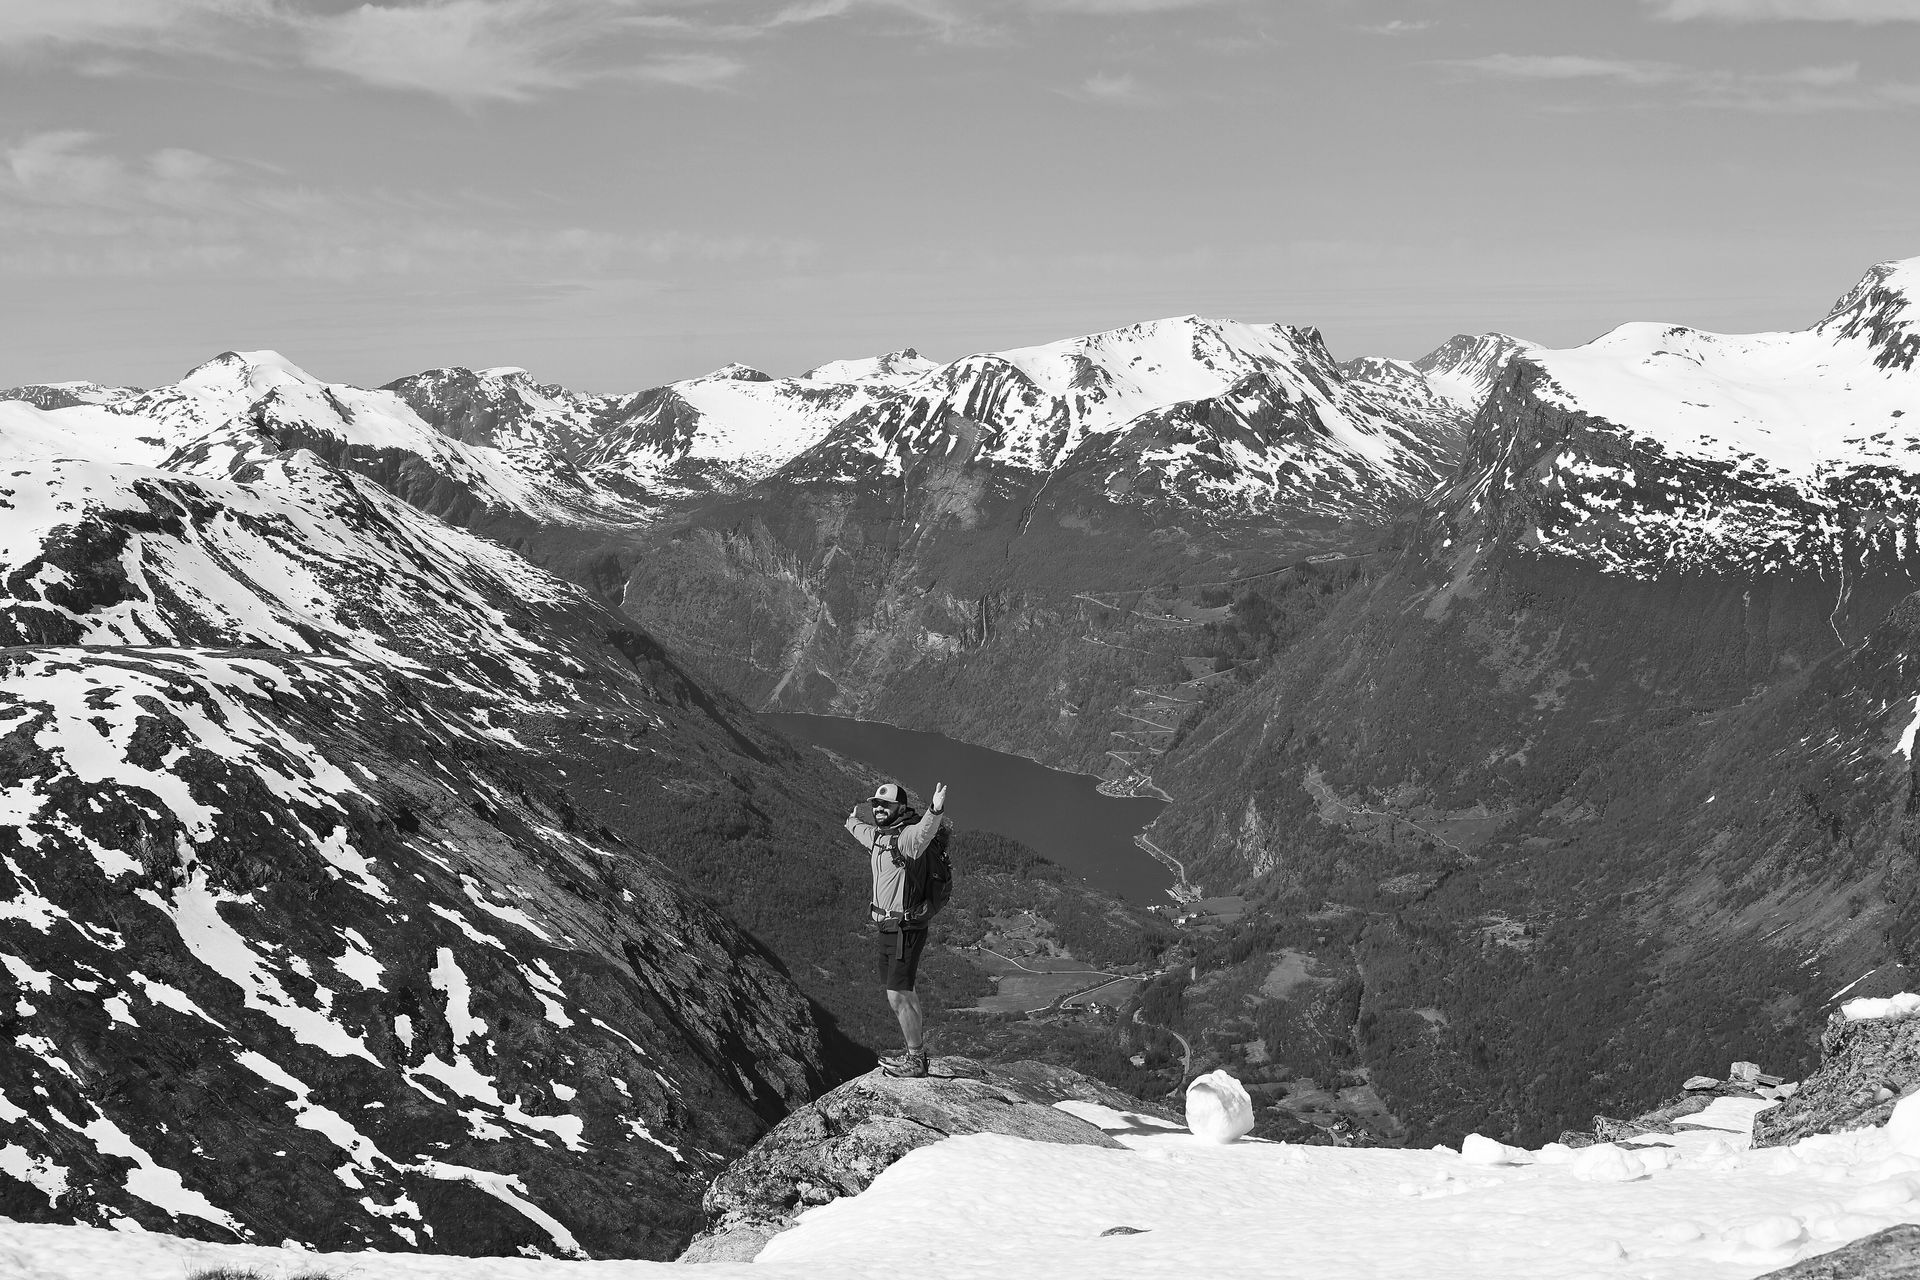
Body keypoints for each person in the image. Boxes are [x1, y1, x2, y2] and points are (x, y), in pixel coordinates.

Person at [844, 779, 948, 1078]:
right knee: (905, 992)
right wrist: (851, 821)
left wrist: (935, 809)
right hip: (889, 928)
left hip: (905, 928)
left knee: (897, 995)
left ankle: (916, 1061)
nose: (878, 808)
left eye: (885, 805)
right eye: (875, 804)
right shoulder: (880, 837)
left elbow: (923, 832)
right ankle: (916, 1052)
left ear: (900, 808)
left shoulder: (905, 839)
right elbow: (861, 832)